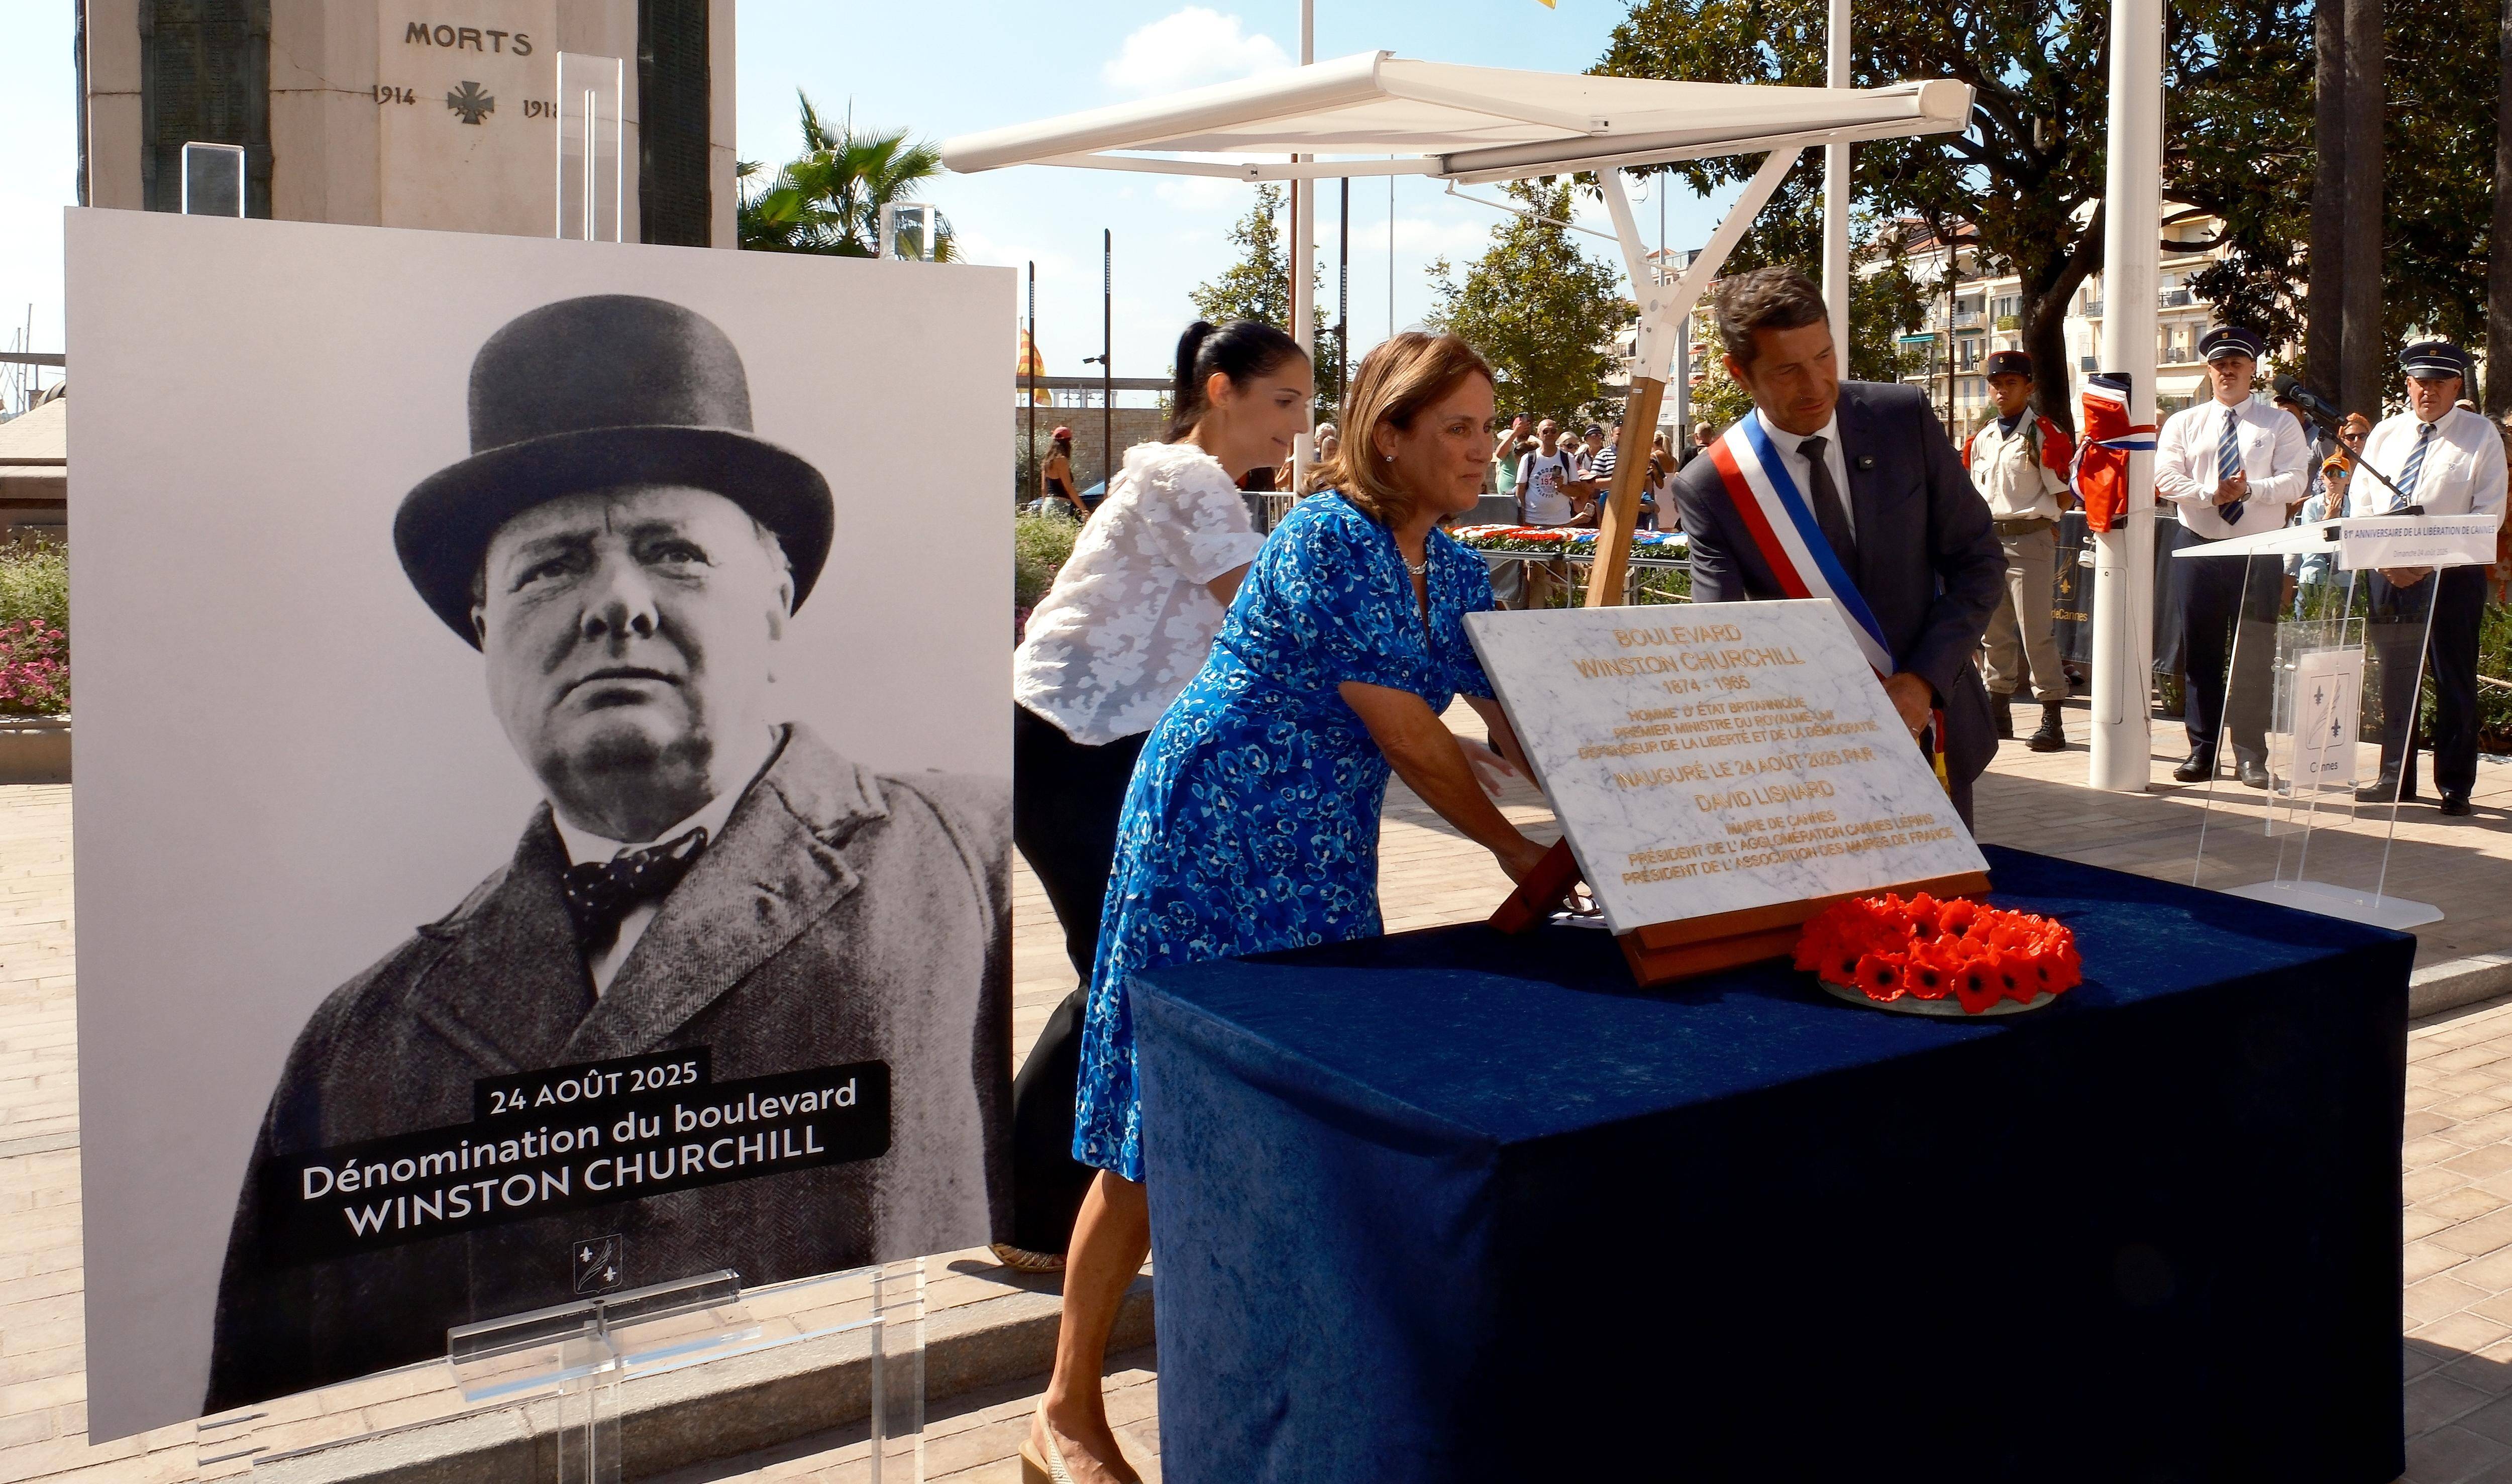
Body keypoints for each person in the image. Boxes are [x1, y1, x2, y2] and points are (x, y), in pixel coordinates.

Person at [206, 295, 1012, 1410]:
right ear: (484, 626)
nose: (616, 606)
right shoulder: (355, 1043)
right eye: (550, 567)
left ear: (776, 596)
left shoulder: (970, 859)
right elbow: (272, 1414)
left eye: (672, 552)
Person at [1025, 333, 1548, 1484]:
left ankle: (1280, 1372)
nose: (1480, 447)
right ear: (1390, 434)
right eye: (1454, 427)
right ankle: (1063, 1411)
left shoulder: (1451, 567)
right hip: (1209, 836)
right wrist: (1519, 850)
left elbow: (1514, 703)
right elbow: (1405, 730)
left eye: (1488, 423)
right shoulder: (1327, 540)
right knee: (1153, 1130)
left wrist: (1596, 782)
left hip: (1316, 856)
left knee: (1298, 1108)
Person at [1004, 321, 1301, 1271]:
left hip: (1097, 748)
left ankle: (1033, 1197)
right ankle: (1026, 1203)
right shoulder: (1186, 478)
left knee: (1122, 971)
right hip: (1066, 744)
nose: (1297, 427)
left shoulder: (1184, 478)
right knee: (1121, 975)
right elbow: (1271, 615)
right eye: (1283, 402)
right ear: (1220, 391)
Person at [1668, 266, 2006, 827]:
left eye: (1824, 357)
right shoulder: (1713, 485)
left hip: (1930, 727)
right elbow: (1721, 635)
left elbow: (1978, 560)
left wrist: (1922, 680)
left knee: (1943, 914)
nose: (1816, 384)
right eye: (1787, 370)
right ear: (1738, 372)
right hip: (1806, 758)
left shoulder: (1900, 418)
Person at [2344, 339, 2507, 814]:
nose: (2427, 392)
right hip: (2388, 574)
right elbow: (2364, 503)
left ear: (2457, 384)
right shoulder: (2387, 434)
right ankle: (2394, 778)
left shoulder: (2482, 435)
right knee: (2396, 680)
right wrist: (2386, 562)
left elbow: (2488, 514)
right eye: (2419, 382)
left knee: (2453, 680)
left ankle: (2455, 785)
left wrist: (2426, 560)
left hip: (2451, 576)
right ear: (2407, 383)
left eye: (2438, 383)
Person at [2151, 325, 2311, 787]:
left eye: (2236, 365)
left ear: (2253, 370)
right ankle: (2203, 752)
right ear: (2209, 370)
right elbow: (2166, 478)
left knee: (2253, 654)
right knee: (2200, 653)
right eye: (2219, 365)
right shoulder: (2185, 422)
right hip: (2198, 543)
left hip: (2257, 550)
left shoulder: (2279, 423)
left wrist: (2250, 489)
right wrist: (2209, 493)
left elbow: (2298, 481)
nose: (2227, 372)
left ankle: (2250, 755)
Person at [1962, 349, 2076, 754]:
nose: (2001, 391)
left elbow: (2063, 496)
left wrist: (2039, 524)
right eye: (1995, 383)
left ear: (2029, 388)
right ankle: (1998, 712)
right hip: (1989, 541)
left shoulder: (2042, 434)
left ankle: (2052, 717)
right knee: (1995, 634)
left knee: (2035, 634)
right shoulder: (1982, 439)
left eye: (2011, 383)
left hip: (2029, 540)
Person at [1515, 417, 1579, 607]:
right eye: (1546, 431)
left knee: (1560, 571)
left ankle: (1560, 611)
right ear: (1540, 435)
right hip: (1535, 524)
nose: (1549, 434)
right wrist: (1523, 518)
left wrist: (1562, 487)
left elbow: (1577, 491)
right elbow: (1521, 490)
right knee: (1536, 572)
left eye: (1553, 431)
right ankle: (1535, 611)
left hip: (1561, 523)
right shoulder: (1530, 458)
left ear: (1557, 434)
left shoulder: (1567, 459)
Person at [1041, 427, 1089, 520]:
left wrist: (1044, 505)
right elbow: (1069, 488)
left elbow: (1044, 489)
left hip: (1048, 505)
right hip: (1059, 507)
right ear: (1067, 443)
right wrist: (1084, 510)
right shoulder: (1061, 460)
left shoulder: (1047, 461)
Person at [1493, 412, 1532, 498]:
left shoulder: (1534, 446)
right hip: (1508, 494)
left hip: (1527, 494)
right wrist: (1515, 434)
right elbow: (1499, 454)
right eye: (1521, 425)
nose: (1525, 428)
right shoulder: (1511, 444)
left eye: (1528, 425)